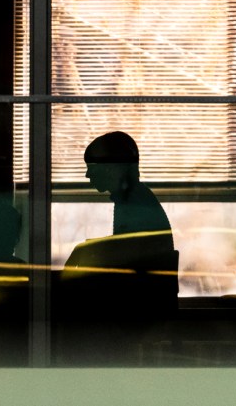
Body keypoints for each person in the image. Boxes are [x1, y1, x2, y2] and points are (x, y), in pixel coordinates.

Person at [56, 131, 178, 364]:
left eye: (92, 166)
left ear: (113, 168)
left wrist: (86, 249)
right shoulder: (134, 200)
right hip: (137, 304)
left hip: (138, 311)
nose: (87, 174)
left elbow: (130, 254)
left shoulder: (136, 202)